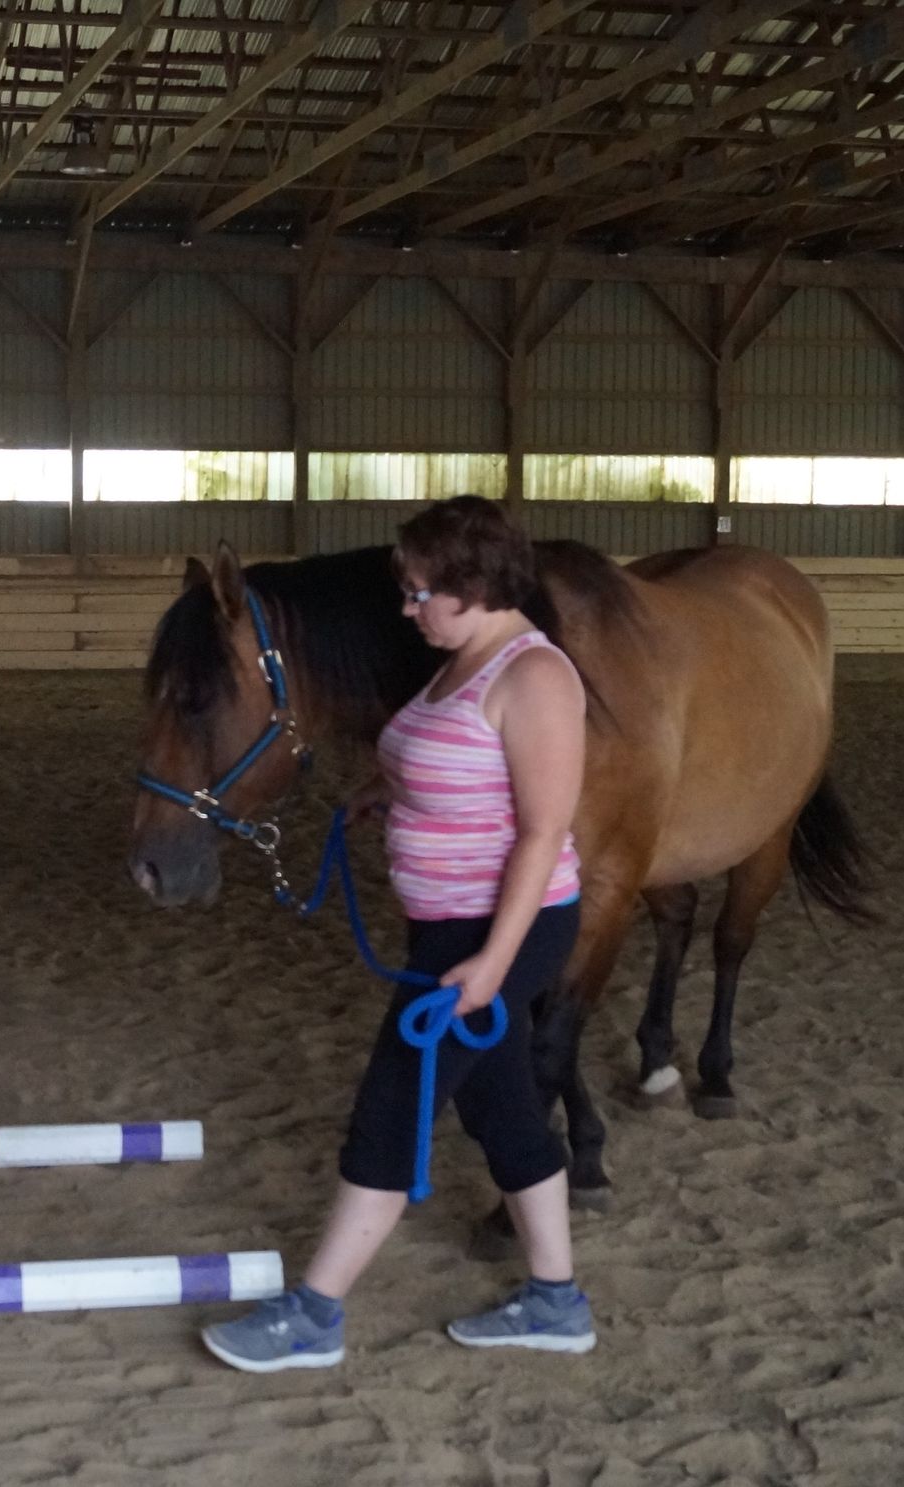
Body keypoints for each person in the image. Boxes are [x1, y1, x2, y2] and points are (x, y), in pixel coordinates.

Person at [202, 493, 593, 1370]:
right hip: (446, 926)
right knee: (503, 1108)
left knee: (393, 1103)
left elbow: (542, 829)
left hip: (497, 931)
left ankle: (315, 1313)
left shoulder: (534, 677)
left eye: (421, 592)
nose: (407, 608)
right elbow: (449, 759)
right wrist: (394, 795)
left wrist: (493, 960)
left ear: (478, 585)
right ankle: (557, 1298)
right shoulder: (458, 657)